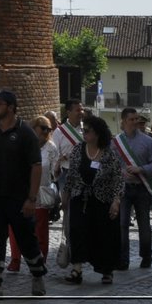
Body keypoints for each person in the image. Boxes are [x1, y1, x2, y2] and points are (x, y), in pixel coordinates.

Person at [0, 89, 47, 298]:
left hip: (19, 198)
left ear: (11, 107)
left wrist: (31, 198)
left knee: (26, 240)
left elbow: (36, 166)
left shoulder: (26, 134)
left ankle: (38, 275)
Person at [60, 114, 122, 286]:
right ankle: (77, 269)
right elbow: (71, 175)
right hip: (80, 198)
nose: (84, 133)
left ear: (98, 133)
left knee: (103, 235)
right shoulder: (78, 149)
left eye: (87, 130)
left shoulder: (109, 154)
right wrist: (65, 196)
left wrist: (116, 201)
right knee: (77, 231)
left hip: (102, 200)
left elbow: (117, 179)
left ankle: (106, 270)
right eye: (83, 130)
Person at [7, 110, 60, 276]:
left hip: (41, 193)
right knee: (15, 228)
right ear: (34, 128)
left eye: (49, 129)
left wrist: (56, 170)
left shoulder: (51, 148)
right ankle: (15, 260)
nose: (46, 132)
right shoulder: (23, 144)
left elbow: (54, 173)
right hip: (20, 192)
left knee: (40, 229)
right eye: (43, 128)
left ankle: (40, 261)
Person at [113, 106, 152, 269]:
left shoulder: (148, 141)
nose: (135, 122)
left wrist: (141, 169)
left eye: (136, 119)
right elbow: (111, 164)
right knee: (122, 224)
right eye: (131, 120)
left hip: (142, 188)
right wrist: (122, 172)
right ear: (124, 121)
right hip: (123, 188)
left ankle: (146, 256)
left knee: (144, 225)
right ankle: (123, 259)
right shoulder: (116, 142)